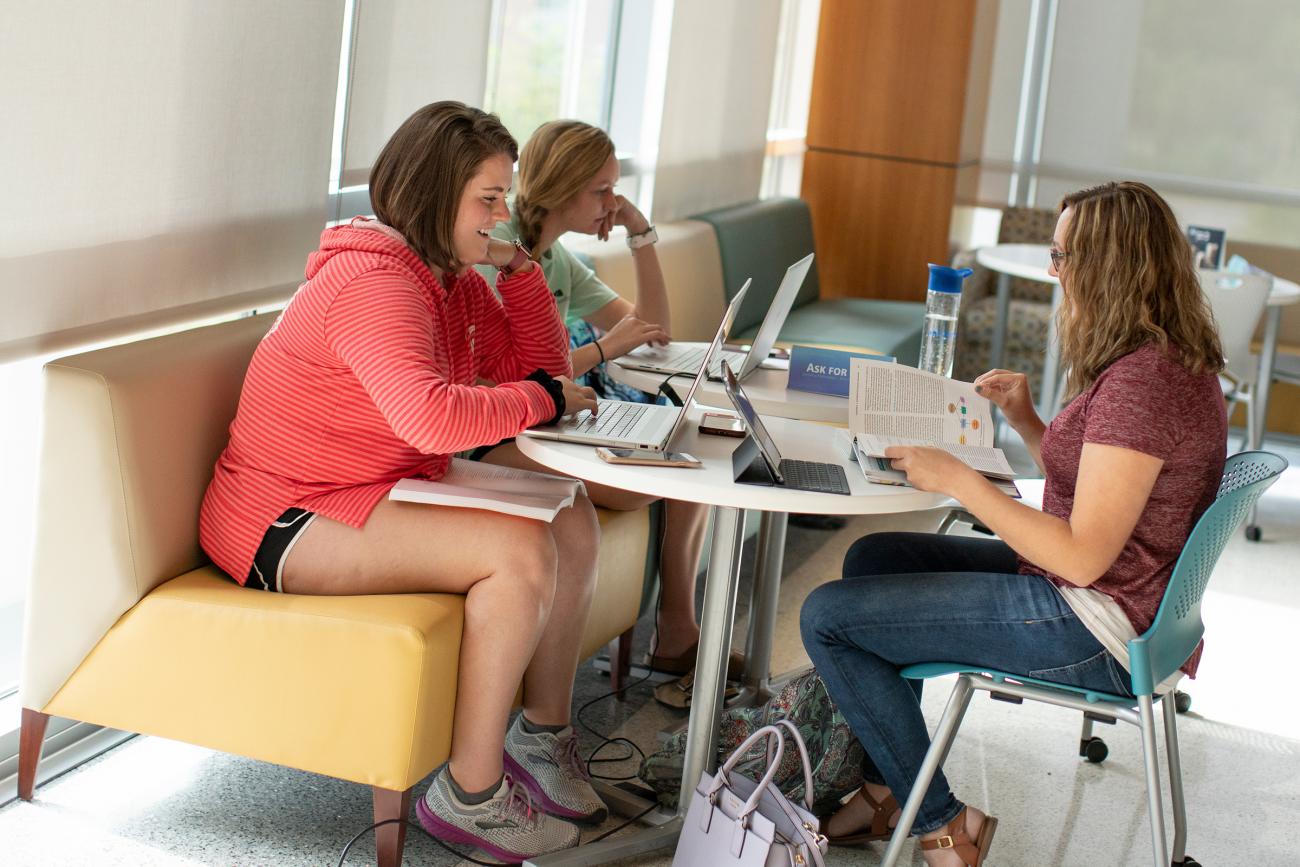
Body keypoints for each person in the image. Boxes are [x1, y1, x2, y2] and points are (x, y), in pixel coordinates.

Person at [199, 101, 607, 862]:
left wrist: (517, 270)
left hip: (369, 484)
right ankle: (471, 794)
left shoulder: (442, 276)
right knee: (519, 551)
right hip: (283, 516)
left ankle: (545, 735)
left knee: (571, 512)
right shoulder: (374, 283)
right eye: (487, 200)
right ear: (432, 193)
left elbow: (538, 368)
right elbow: (433, 419)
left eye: (503, 199)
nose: (501, 216)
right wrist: (545, 399)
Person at [800, 181, 1227, 866]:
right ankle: (888, 789)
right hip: (1111, 595)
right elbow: (1101, 497)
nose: (1055, 272)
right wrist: (1030, 422)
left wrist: (961, 480)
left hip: (1094, 620)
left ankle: (944, 824)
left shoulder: (1145, 384)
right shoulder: (1160, 360)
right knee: (876, 559)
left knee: (826, 615)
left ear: (1107, 264)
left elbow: (1084, 554)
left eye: (1061, 256)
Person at [474, 119, 736, 682]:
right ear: (564, 186)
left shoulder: (556, 258)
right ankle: (676, 634)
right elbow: (508, 378)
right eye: (602, 190)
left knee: (689, 452)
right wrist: (601, 350)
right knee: (676, 472)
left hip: (545, 415)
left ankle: (678, 631)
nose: (612, 202)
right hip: (497, 432)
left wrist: (639, 233)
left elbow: (653, 328)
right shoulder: (498, 254)